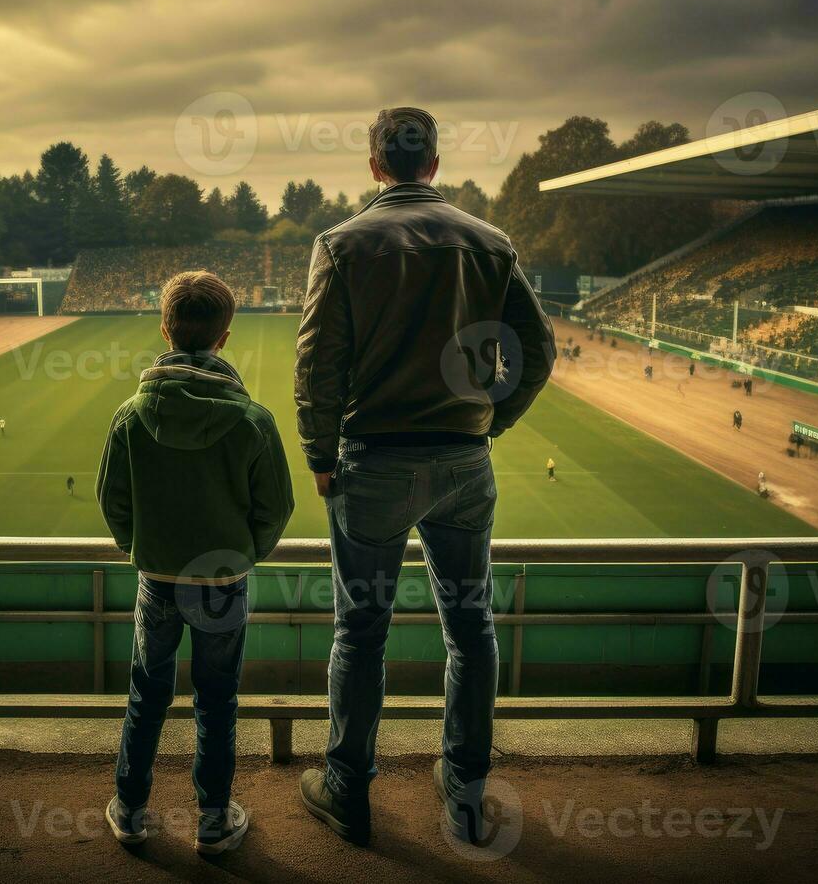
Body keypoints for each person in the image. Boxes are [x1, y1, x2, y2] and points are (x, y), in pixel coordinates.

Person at [294, 108, 555, 846]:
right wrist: (489, 426)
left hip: (373, 461)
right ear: (434, 164)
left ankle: (348, 789)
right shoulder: (490, 242)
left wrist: (320, 456)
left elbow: (318, 366)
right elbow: (535, 354)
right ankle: (465, 792)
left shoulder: (342, 244)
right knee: (471, 629)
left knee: (360, 633)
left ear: (375, 165)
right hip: (464, 465)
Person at [97, 271, 294, 854]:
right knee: (217, 699)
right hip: (224, 583)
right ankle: (212, 819)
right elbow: (276, 509)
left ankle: (130, 808)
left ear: (165, 328)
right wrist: (243, 555)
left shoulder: (130, 416)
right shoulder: (253, 420)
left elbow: (114, 504)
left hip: (156, 581)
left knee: (146, 693)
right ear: (225, 336)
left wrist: (145, 549)